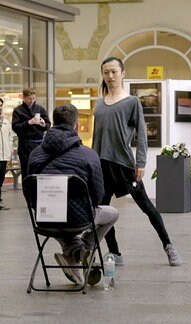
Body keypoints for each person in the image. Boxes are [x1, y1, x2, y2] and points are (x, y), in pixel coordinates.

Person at [92, 56, 182, 266]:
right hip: (101, 165)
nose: (110, 76)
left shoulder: (131, 102)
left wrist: (141, 162)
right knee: (102, 211)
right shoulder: (99, 104)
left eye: (114, 71)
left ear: (123, 73)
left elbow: (142, 134)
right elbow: (97, 136)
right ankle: (114, 252)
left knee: (147, 207)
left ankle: (168, 245)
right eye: (106, 72)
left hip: (123, 165)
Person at [28, 104, 119, 285]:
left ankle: (73, 254)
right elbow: (98, 194)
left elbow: (29, 193)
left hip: (45, 220)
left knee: (60, 219)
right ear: (76, 125)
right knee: (113, 213)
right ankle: (85, 247)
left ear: (53, 123)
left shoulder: (35, 154)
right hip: (80, 220)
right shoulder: (88, 155)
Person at [11, 88, 51, 180]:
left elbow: (48, 124)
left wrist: (44, 124)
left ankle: (38, 191)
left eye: (33, 98)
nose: (32, 101)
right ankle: (27, 191)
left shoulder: (40, 109)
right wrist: (29, 122)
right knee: (26, 169)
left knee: (40, 168)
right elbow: (15, 127)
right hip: (25, 144)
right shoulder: (18, 111)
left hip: (40, 143)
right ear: (24, 98)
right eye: (29, 99)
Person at [0, 98, 12, 210]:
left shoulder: (6, 122)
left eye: (0, 106)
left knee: (0, 179)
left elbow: (10, 138)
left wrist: (9, 153)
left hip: (3, 157)